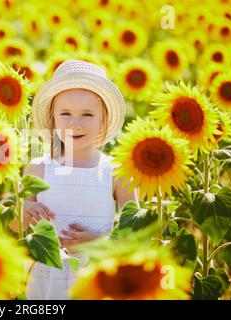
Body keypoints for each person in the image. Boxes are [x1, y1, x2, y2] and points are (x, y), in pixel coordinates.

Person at [9, 60, 139, 300]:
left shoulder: (116, 172)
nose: (75, 123)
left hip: (98, 278)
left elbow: (136, 235)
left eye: (87, 114)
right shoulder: (38, 169)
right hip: (47, 282)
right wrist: (26, 209)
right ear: (53, 118)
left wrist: (100, 241)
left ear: (103, 119)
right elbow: (15, 227)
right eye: (65, 113)